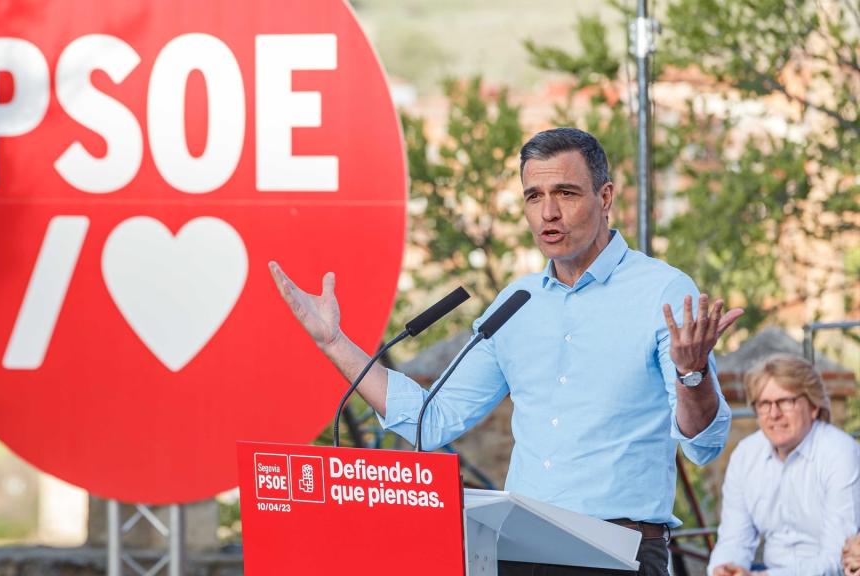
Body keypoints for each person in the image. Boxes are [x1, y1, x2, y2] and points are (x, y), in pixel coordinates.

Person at [270, 127, 743, 575]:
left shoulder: (662, 291)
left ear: (605, 198)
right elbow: (429, 420)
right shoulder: (517, 303)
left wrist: (693, 374)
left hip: (616, 552)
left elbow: (704, 445)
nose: (548, 213)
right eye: (534, 197)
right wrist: (335, 343)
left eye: (566, 193)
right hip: (519, 550)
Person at [707, 354, 860, 576]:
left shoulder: (840, 453)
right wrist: (723, 568)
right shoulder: (745, 454)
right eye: (764, 404)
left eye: (786, 401)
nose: (774, 414)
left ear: (813, 406)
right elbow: (733, 539)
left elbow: (838, 557)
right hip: (768, 570)